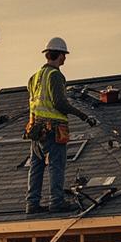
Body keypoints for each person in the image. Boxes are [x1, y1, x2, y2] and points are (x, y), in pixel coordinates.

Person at [24, 37, 98, 214]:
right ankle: (56, 201)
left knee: (36, 166)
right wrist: (84, 116)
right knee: (56, 165)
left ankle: (32, 204)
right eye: (64, 55)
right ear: (60, 55)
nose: (65, 58)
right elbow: (59, 103)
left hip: (36, 129)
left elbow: (33, 103)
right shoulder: (55, 75)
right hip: (53, 129)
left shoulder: (35, 77)